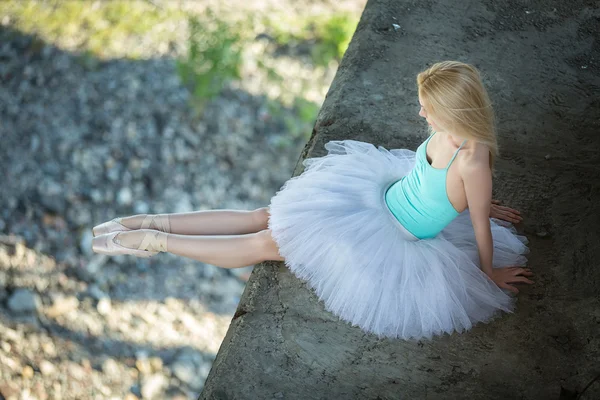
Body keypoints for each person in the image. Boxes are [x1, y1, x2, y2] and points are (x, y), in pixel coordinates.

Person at [92, 60, 532, 341]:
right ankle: (153, 228)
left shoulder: (474, 163)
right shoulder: (452, 138)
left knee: (264, 240)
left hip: (389, 238)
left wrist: (488, 270)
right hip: (377, 199)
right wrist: (478, 202)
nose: (421, 115)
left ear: (455, 113)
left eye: (428, 109)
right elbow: (435, 183)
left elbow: (476, 228)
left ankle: (154, 235)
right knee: (261, 220)